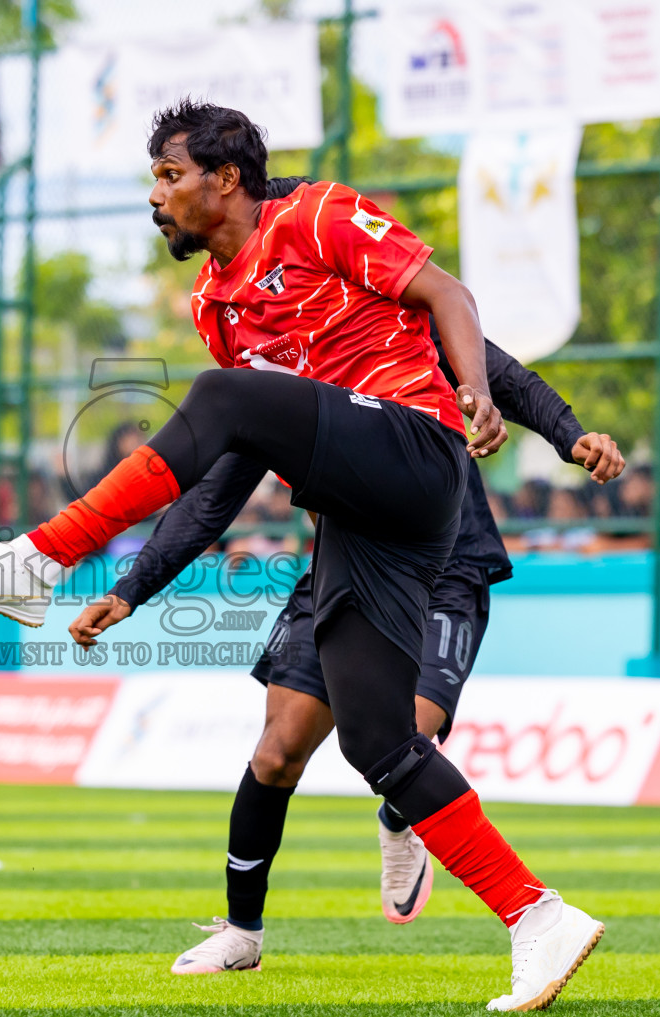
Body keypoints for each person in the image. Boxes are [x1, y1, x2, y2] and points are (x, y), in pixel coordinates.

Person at [0, 101, 604, 1011]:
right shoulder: (215, 306)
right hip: (364, 519)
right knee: (376, 742)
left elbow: (451, 297)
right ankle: (537, 918)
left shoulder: (314, 213)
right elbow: (232, 459)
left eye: (169, 175)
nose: (155, 197)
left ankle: (37, 561)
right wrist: (138, 584)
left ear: (225, 179)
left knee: (223, 397)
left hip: (418, 450)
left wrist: (478, 395)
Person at [65, 298, 623, 979]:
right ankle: (242, 931)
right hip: (341, 571)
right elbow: (213, 496)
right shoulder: (277, 374)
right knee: (277, 751)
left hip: (447, 568)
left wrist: (572, 436)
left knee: (404, 738)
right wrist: (132, 587)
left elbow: (500, 375)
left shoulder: (390, 324)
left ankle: (409, 822)